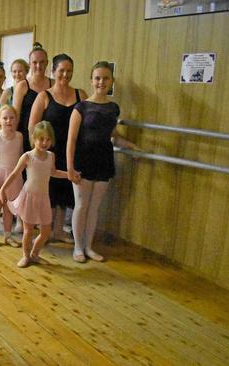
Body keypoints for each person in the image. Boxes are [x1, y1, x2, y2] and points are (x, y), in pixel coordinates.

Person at [67, 61, 139, 263]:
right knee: (81, 205)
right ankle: (78, 247)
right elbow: (71, 140)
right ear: (91, 80)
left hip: (104, 160)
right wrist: (70, 167)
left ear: (111, 81)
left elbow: (113, 135)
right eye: (97, 78)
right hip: (83, 161)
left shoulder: (113, 108)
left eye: (105, 78)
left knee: (94, 207)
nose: (101, 82)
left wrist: (132, 146)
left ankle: (89, 246)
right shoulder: (80, 107)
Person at [29, 53, 88, 243]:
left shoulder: (81, 94)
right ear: (53, 71)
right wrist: (37, 152)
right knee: (48, 193)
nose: (65, 74)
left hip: (72, 152)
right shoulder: (43, 96)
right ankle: (45, 230)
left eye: (69, 71)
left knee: (65, 192)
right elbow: (33, 126)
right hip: (49, 152)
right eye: (61, 70)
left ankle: (59, 230)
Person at [0, 121, 68, 267]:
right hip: (29, 197)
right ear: (34, 139)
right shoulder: (27, 156)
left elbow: (53, 172)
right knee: (28, 230)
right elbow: (14, 174)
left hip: (43, 198)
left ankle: (35, 254)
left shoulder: (51, 156)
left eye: (48, 139)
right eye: (41, 139)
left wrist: (69, 175)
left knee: (45, 231)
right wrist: (3, 188)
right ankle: (25, 255)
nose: (44, 142)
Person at [0, 105, 23, 249]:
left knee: (9, 208)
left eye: (11, 118)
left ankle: (8, 235)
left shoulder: (19, 136)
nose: (8, 121)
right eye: (5, 118)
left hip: (13, 177)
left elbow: (20, 157)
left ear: (16, 120)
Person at [13, 42, 52, 152]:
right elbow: (15, 117)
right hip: (26, 139)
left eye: (42, 62)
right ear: (30, 64)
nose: (38, 66)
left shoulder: (53, 84)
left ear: (47, 63)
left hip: (48, 139)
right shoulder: (22, 86)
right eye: (35, 62)